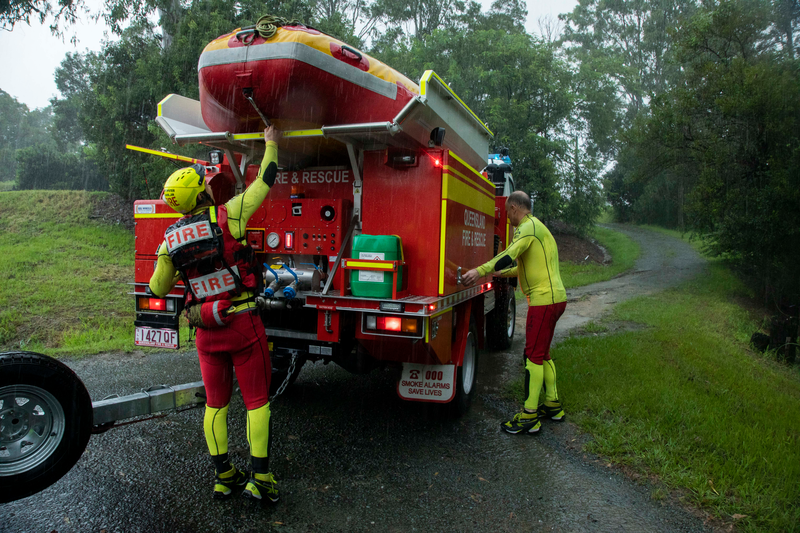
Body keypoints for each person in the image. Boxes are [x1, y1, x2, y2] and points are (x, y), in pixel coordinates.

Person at [149, 126, 280, 503]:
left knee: (215, 403)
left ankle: (224, 477)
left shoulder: (168, 241)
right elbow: (265, 181)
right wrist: (271, 142)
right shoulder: (227, 216)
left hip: (206, 330)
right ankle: (261, 478)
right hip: (242, 323)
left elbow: (158, 288)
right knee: (256, 402)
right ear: (203, 191)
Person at [461, 190, 567, 434]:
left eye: (508, 211)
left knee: (531, 356)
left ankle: (529, 416)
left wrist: (481, 270)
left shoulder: (527, 228)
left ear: (515, 208)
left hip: (544, 301)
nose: (507, 217)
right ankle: (552, 404)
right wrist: (498, 274)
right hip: (555, 298)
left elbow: (509, 256)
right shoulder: (537, 228)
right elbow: (523, 267)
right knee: (543, 354)